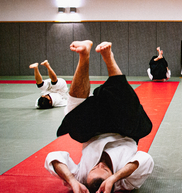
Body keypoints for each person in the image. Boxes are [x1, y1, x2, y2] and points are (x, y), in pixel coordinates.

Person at [45, 40, 154, 193]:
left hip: (93, 130)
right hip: (126, 130)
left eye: (95, 168)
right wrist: (115, 178)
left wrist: (71, 181)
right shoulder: (125, 182)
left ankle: (84, 55)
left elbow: (53, 157)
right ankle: (108, 57)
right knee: (125, 102)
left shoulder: (80, 177)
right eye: (105, 169)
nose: (100, 164)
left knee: (73, 120)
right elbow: (146, 160)